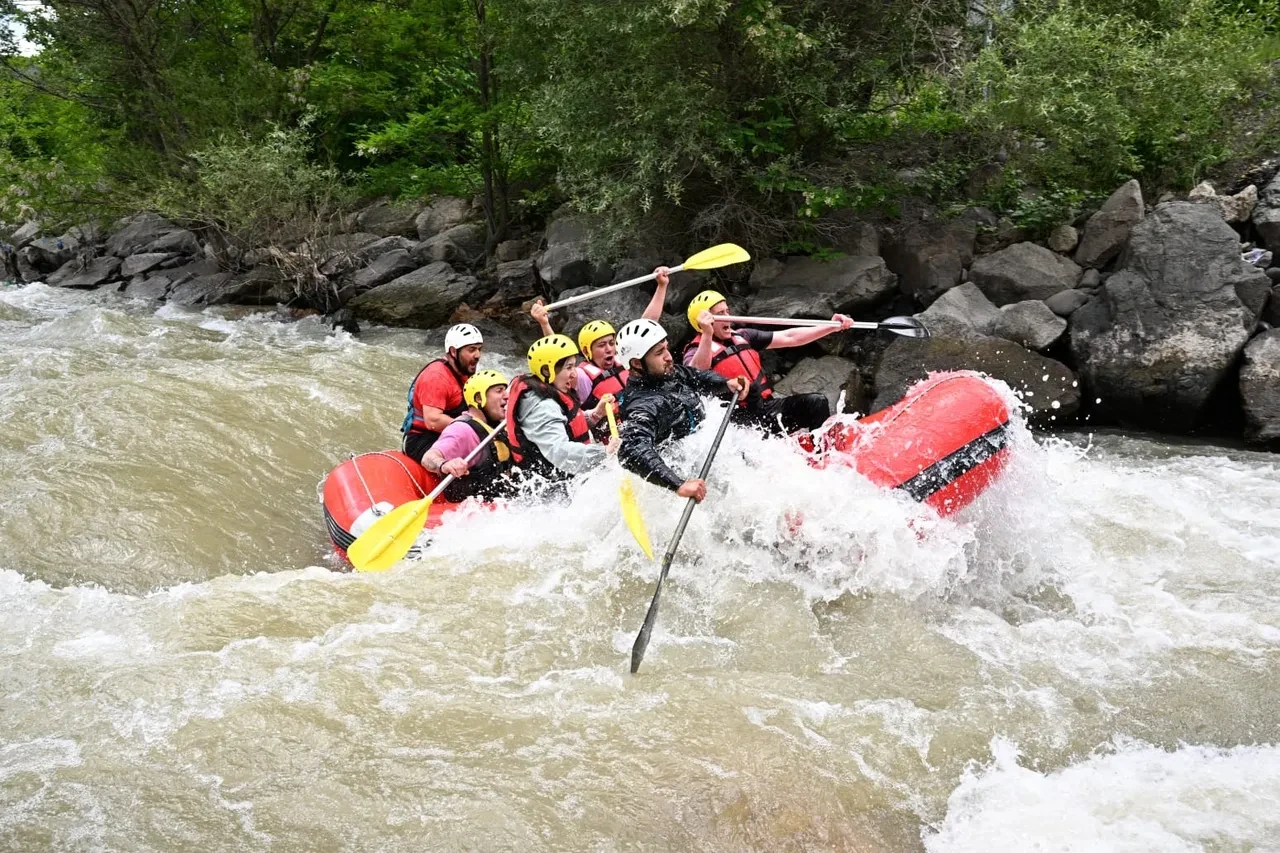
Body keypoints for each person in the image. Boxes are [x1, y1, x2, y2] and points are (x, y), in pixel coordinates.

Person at [614, 319, 748, 502]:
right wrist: (678, 484)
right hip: (681, 470)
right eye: (659, 353)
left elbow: (695, 376)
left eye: (666, 348)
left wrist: (725, 383)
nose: (669, 356)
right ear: (637, 363)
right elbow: (630, 448)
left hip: (703, 451)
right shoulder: (644, 404)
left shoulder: (665, 374)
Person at [683, 290, 854, 434]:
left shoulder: (743, 336)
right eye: (720, 314)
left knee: (816, 402)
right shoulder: (695, 350)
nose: (728, 318)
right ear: (703, 322)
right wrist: (706, 334)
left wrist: (832, 327)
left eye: (727, 311)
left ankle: (821, 454)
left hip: (765, 408)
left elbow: (790, 337)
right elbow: (696, 373)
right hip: (737, 424)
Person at [529, 265, 673, 411]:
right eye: (601, 345)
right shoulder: (582, 377)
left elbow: (646, 325)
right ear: (587, 350)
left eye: (611, 343)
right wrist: (544, 323)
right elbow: (557, 354)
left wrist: (661, 286)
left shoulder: (624, 359)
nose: (609, 349)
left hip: (646, 412)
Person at [504, 333, 617, 481]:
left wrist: (595, 414)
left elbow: (567, 425)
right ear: (546, 371)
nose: (574, 374)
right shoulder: (542, 407)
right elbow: (559, 452)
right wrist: (603, 453)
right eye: (568, 367)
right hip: (550, 491)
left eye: (574, 366)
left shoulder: (552, 393)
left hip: (568, 481)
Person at [421, 369, 514, 502]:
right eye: (499, 391)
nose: (507, 396)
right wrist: (444, 464)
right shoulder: (462, 430)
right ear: (478, 398)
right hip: (472, 509)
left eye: (505, 390)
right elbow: (428, 458)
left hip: (500, 501)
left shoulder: (499, 426)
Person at [400, 323, 485, 463]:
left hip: (447, 435)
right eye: (471, 350)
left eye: (479, 349)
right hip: (422, 440)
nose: (478, 355)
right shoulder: (436, 376)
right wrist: (473, 429)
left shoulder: (464, 371)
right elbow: (433, 421)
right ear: (453, 351)